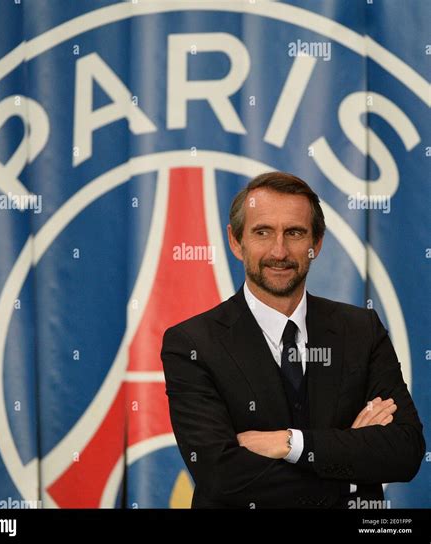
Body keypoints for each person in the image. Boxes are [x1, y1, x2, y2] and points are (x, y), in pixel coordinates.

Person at [161, 172, 425, 509]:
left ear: (317, 243)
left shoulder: (361, 329)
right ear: (235, 241)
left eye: (295, 233)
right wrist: (353, 473)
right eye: (263, 232)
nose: (279, 250)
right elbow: (222, 476)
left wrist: (290, 444)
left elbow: (405, 451)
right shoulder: (192, 343)